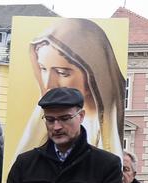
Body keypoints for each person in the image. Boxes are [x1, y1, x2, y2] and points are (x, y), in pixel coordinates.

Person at [17, 21, 126, 154]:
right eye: (43, 69)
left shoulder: (108, 153)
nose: (48, 84)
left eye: (62, 73)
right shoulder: (28, 158)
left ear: (92, 74)